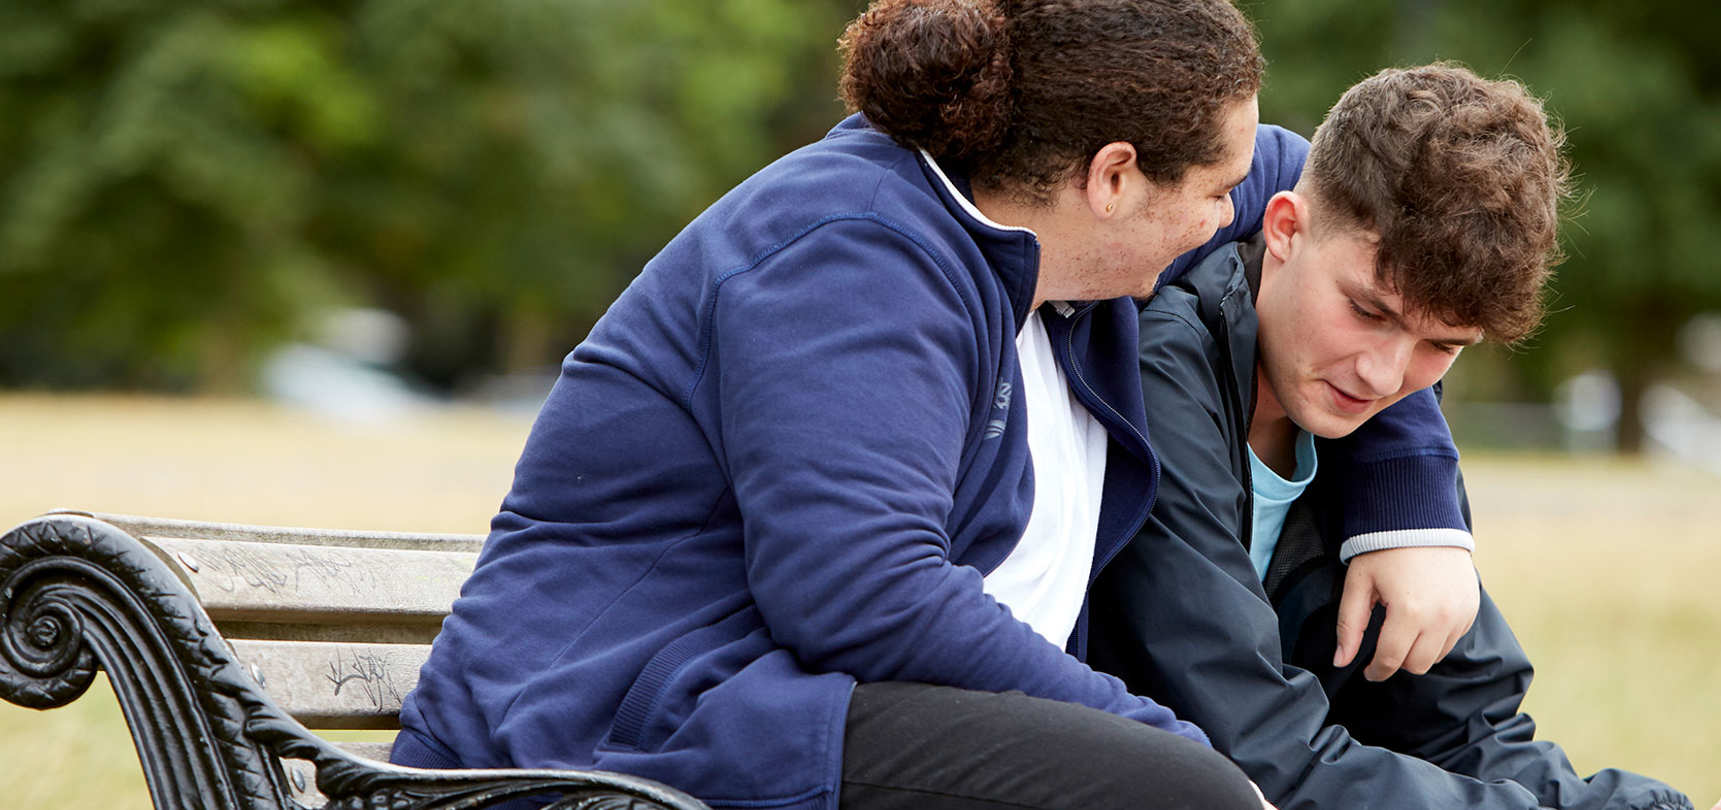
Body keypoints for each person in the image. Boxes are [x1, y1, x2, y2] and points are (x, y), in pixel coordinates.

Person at [392, 2, 1355, 809]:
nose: (1231, 220)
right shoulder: (853, 253)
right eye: (1218, 195)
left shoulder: (1052, 225)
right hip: (617, 741)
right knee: (1184, 797)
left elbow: (1339, 231)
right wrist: (1162, 740)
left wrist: (1411, 500)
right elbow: (863, 594)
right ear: (1111, 177)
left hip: (782, 718)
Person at [1085, 64, 1721, 810]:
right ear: (1284, 229)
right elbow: (1261, 752)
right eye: (1368, 310)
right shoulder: (1160, 366)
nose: (1382, 374)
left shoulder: (1385, 443)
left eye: (1442, 344)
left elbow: (1466, 730)